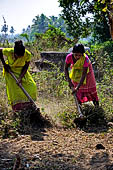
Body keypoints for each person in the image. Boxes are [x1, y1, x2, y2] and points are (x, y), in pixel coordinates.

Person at [0, 40, 37, 111]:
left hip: (22, 71)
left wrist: (20, 78)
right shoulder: (9, 51)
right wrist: (5, 65)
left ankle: (29, 106)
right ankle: (17, 109)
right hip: (11, 72)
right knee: (15, 92)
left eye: (21, 56)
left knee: (32, 87)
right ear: (14, 53)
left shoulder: (27, 54)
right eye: (18, 56)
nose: (20, 57)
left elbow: (26, 67)